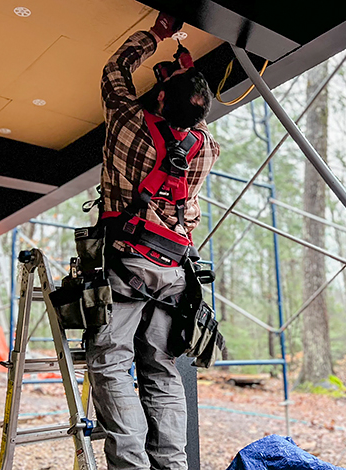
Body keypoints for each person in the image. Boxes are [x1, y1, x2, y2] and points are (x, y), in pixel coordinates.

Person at [87, 12, 219, 470]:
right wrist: (182, 77)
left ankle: (131, 465)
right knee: (161, 370)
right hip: (175, 271)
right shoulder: (204, 148)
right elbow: (193, 118)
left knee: (109, 361)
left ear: (160, 97)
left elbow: (114, 72)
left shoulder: (129, 124)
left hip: (128, 263)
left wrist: (155, 37)